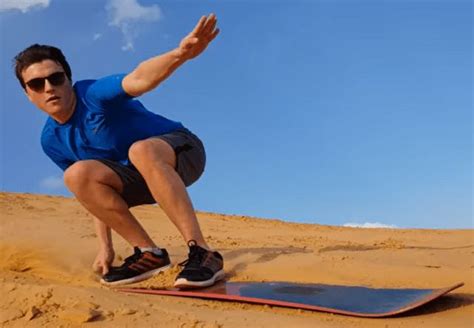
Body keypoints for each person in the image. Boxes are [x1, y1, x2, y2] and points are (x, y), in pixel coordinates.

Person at [13, 14, 224, 289]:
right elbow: (92, 194)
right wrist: (106, 248)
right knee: (76, 175)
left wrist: (180, 54)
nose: (49, 88)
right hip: (136, 179)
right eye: (36, 84)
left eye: (56, 78)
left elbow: (139, 78)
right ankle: (149, 254)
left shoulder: (92, 94)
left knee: (140, 150)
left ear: (68, 79)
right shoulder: (51, 140)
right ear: (28, 94)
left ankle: (202, 252)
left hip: (181, 153)